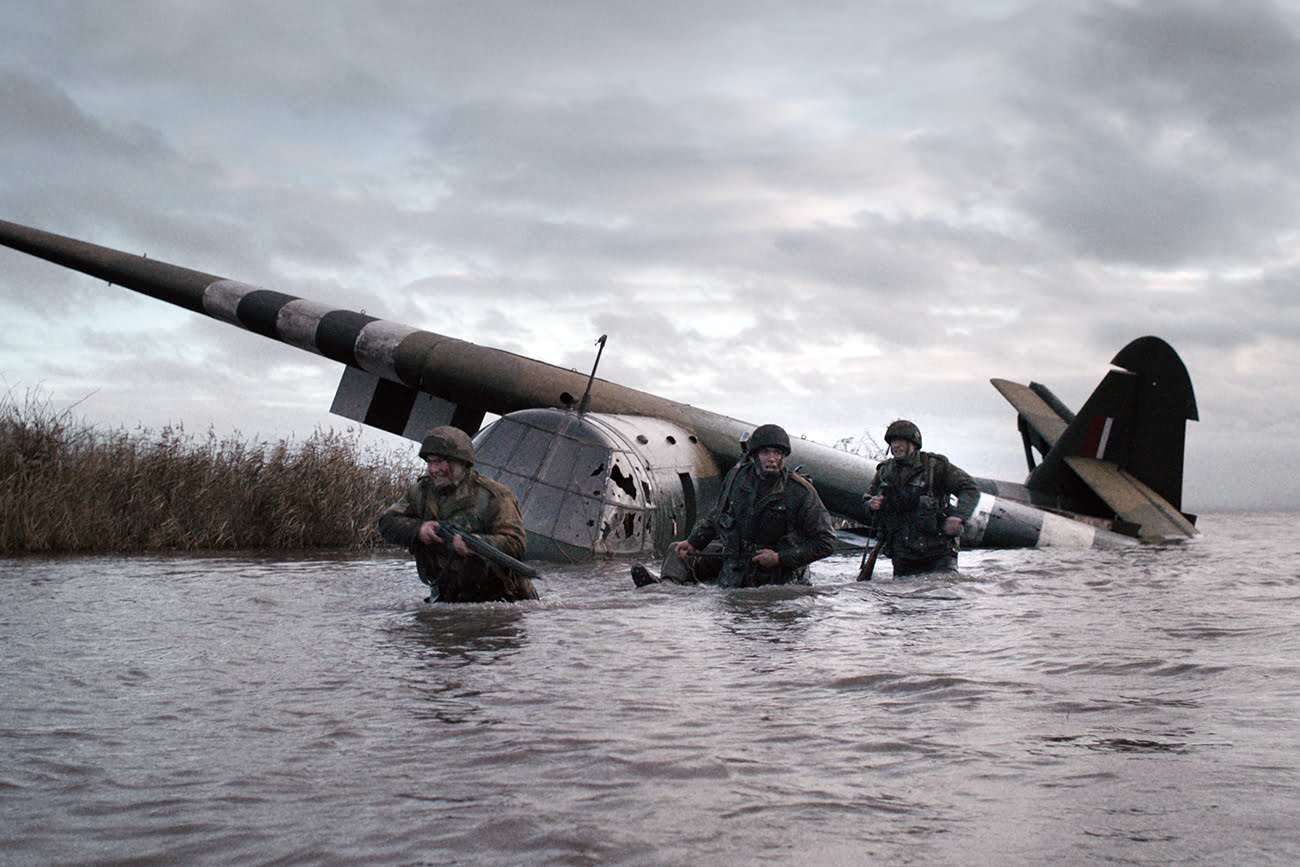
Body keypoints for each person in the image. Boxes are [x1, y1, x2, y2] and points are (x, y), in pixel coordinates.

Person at [634, 423, 836, 587]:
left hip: (776, 572)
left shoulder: (800, 492)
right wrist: (694, 541)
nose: (772, 459)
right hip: (735, 562)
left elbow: (826, 543)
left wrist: (780, 558)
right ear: (755, 455)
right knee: (676, 551)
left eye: (777, 453)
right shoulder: (737, 478)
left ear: (784, 456)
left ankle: (681, 588)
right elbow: (717, 516)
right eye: (766, 452)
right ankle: (666, 590)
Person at [378, 426, 538, 603]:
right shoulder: (422, 492)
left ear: (460, 462)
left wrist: (477, 543)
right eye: (429, 462)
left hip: (501, 599)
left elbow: (516, 545)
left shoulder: (495, 496)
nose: (433, 469)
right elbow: (387, 522)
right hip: (445, 598)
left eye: (439, 462)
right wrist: (419, 530)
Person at [865, 419, 979, 577]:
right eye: (893, 441)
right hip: (902, 555)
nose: (896, 446)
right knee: (901, 598)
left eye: (901, 441)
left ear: (913, 444)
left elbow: (969, 488)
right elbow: (868, 499)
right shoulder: (885, 472)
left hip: (938, 553)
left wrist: (959, 517)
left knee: (942, 594)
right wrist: (871, 505)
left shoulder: (935, 467)